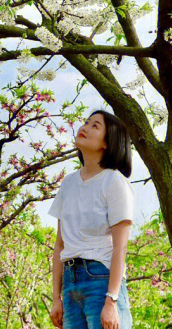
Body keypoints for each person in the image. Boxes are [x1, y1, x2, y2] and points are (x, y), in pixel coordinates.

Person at [49, 109, 135, 329]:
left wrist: (112, 300)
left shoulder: (114, 181)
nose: (84, 127)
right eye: (86, 122)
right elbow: (60, 244)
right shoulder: (68, 183)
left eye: (95, 125)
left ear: (108, 142)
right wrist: (56, 298)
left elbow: (120, 248)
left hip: (101, 280)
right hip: (70, 284)